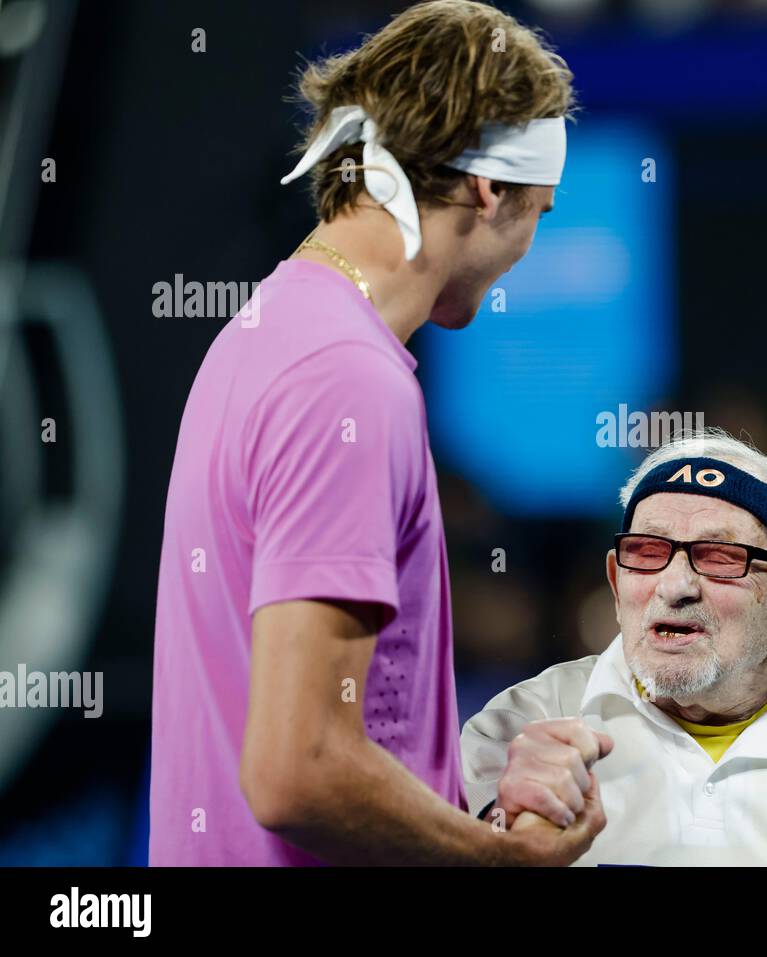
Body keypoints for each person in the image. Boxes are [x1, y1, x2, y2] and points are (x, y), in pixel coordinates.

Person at [149, 1, 602, 865]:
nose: (530, 247)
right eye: (539, 212)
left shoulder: (274, 331)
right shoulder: (344, 377)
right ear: (487, 187)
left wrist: (462, 779)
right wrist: (495, 858)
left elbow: (324, 728)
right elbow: (298, 770)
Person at [461, 431, 767, 866]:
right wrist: (507, 840)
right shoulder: (520, 730)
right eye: (647, 552)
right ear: (616, 584)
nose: (674, 585)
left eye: (722, 557)